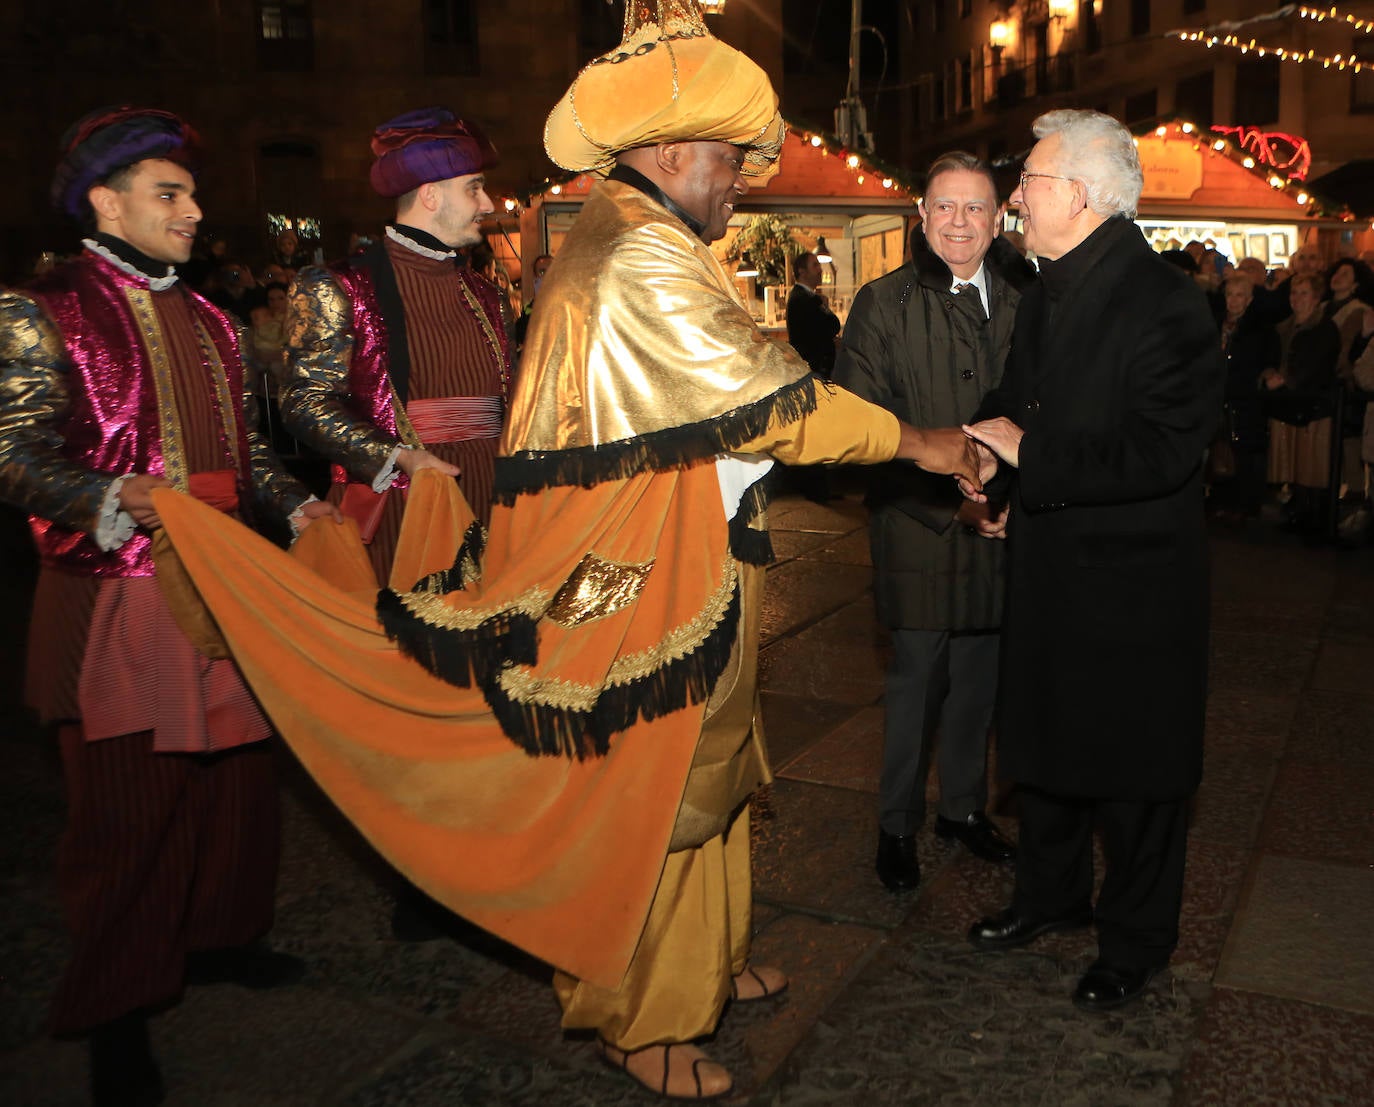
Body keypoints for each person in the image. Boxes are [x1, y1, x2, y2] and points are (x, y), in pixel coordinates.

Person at [149, 4, 989, 1099]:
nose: (741, 181)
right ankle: (645, 1018)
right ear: (676, 152)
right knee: (664, 777)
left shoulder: (639, 236)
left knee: (717, 755)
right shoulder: (641, 252)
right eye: (732, 163)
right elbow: (776, 404)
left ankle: (710, 958)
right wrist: (930, 443)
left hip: (677, 540)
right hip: (636, 563)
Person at [0, 106, 339, 1106]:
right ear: (106, 201)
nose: (194, 211)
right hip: (122, 592)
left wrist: (305, 502)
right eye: (170, 194)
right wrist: (112, 496)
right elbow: (11, 456)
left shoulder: (215, 321)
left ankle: (224, 939)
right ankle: (116, 1008)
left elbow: (249, 459)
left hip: (229, 577)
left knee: (237, 784)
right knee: (128, 808)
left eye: (190, 193)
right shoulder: (39, 308)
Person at [962, 109, 1222, 1013]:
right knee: (1047, 747)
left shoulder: (1167, 299)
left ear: (1074, 195)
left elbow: (1166, 452)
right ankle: (1050, 895)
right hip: (1052, 570)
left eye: (1025, 184)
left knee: (1134, 773)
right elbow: (1015, 401)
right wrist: (993, 472)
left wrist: (1031, 457)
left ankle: (1136, 940)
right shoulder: (1047, 289)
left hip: (1133, 588)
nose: (1013, 200)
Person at [833, 150, 1031, 894]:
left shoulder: (1022, 295)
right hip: (918, 524)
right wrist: (954, 497)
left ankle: (963, 810)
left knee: (981, 680)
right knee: (916, 683)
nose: (959, 221)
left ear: (998, 218)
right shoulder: (883, 303)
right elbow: (860, 424)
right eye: (944, 206)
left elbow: (1037, 406)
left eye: (975, 207)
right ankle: (897, 825)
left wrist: (1004, 500)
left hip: (1000, 523)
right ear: (920, 216)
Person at [281, 107, 514, 585]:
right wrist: (398, 457)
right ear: (430, 195)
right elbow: (303, 402)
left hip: (495, 499)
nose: (487, 203)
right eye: (473, 187)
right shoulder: (337, 285)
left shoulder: (487, 294)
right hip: (402, 506)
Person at [1262, 273, 1342, 533]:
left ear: (1316, 298)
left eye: (1303, 293)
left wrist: (1285, 379)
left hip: (1314, 406)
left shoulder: (1325, 328)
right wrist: (1268, 373)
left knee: (1312, 465)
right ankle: (1296, 512)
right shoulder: (1283, 327)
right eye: (1294, 293)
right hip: (1288, 404)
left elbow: (1316, 365)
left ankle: (1314, 519)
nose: (1297, 299)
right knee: (1293, 463)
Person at [1213, 274, 1279, 524]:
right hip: (1220, 396)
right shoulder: (1215, 324)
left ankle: (1246, 503)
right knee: (1222, 449)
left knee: (1245, 453)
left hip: (1246, 397)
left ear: (1249, 299)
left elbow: (1266, 360)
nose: (1234, 300)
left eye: (1240, 295)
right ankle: (1223, 500)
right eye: (1230, 294)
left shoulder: (1260, 329)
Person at [785, 251, 840, 378]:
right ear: (802, 271)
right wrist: (825, 307)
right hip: (815, 368)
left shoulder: (804, 296)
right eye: (815, 265)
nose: (820, 270)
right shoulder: (804, 298)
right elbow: (833, 326)